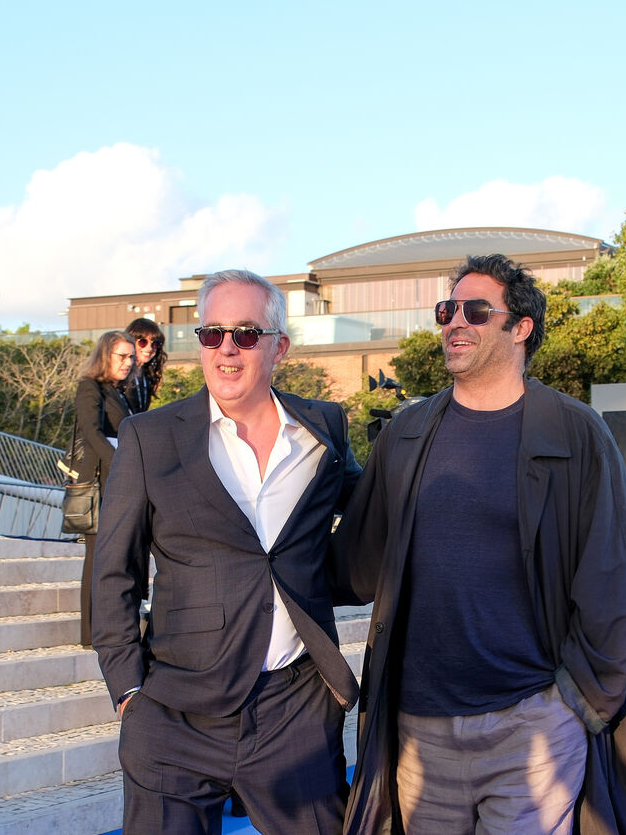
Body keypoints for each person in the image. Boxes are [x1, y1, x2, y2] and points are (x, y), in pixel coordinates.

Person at [330, 254, 626, 835]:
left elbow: (611, 580)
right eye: (447, 309)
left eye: (476, 311)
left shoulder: (577, 433)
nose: (455, 322)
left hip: (532, 725)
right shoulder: (406, 433)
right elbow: (357, 563)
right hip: (419, 731)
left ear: (521, 327)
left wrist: (574, 702)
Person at [91, 268, 361, 834]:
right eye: (212, 334)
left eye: (245, 333)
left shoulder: (323, 430)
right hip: (173, 709)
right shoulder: (150, 436)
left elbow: (367, 520)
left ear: (279, 347)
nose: (227, 349)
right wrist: (128, 691)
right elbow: (116, 569)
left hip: (295, 709)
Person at [71, 330, 134, 646]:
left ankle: (110, 626)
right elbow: (92, 434)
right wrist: (123, 466)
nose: (128, 362)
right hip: (100, 483)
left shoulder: (118, 392)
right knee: (96, 557)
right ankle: (90, 632)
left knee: (113, 558)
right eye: (122, 356)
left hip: (116, 482)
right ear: (105, 356)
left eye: (131, 357)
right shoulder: (89, 387)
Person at [122, 317, 167, 414]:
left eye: (154, 344)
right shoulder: (121, 374)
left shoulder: (147, 375)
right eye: (143, 342)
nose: (149, 348)